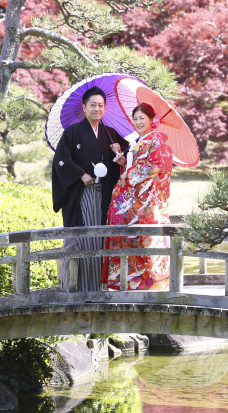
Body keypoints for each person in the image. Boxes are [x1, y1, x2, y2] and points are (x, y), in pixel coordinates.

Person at [52, 86, 128, 291]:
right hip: (80, 196)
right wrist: (80, 174)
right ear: (84, 107)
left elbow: (127, 161)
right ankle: (72, 289)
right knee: (79, 239)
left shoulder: (111, 135)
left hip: (103, 196)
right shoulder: (73, 132)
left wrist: (120, 158)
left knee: (99, 239)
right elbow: (61, 161)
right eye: (93, 105)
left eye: (100, 105)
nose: (97, 108)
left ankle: (99, 288)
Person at [104, 103, 173, 291]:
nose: (138, 122)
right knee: (128, 236)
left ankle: (153, 285)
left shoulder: (156, 141)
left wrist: (130, 173)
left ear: (152, 119)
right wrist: (124, 162)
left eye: (142, 118)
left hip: (147, 203)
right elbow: (135, 167)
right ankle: (130, 282)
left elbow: (156, 166)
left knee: (146, 238)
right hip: (134, 201)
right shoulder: (139, 141)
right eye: (135, 119)